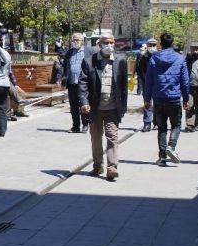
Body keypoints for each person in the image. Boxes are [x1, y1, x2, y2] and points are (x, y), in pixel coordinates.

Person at [78, 34, 128, 181]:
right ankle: (98, 165)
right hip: (95, 108)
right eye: (106, 42)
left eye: (112, 42)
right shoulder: (89, 61)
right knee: (96, 138)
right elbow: (83, 83)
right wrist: (84, 102)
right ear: (99, 44)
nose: (109, 45)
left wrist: (123, 107)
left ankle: (112, 167)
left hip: (112, 108)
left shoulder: (120, 61)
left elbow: (124, 86)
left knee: (112, 137)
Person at [143, 33, 190, 166]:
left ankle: (162, 157)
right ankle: (171, 146)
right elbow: (185, 81)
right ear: (172, 43)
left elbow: (149, 80)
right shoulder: (180, 58)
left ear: (160, 43)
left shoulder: (154, 59)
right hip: (174, 98)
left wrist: (147, 99)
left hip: (158, 98)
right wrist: (186, 98)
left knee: (162, 128)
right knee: (176, 125)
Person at [62, 33, 94, 133]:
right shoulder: (69, 52)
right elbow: (65, 67)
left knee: (84, 104)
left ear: (82, 41)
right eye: (74, 40)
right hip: (72, 83)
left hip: (84, 84)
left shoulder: (89, 51)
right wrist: (61, 79)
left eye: (77, 40)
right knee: (73, 106)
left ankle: (85, 124)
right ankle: (75, 126)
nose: (75, 42)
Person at [136, 38, 157, 132]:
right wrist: (145, 81)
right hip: (146, 84)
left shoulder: (160, 56)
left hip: (158, 85)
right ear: (147, 46)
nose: (152, 47)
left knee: (158, 105)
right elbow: (140, 70)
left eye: (154, 45)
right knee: (147, 104)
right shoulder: (143, 57)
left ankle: (157, 122)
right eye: (150, 45)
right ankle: (147, 123)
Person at [184, 42, 198, 132]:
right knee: (189, 105)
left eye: (197, 48)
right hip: (189, 86)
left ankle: (196, 124)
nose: (195, 50)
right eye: (193, 48)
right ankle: (190, 124)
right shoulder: (188, 59)